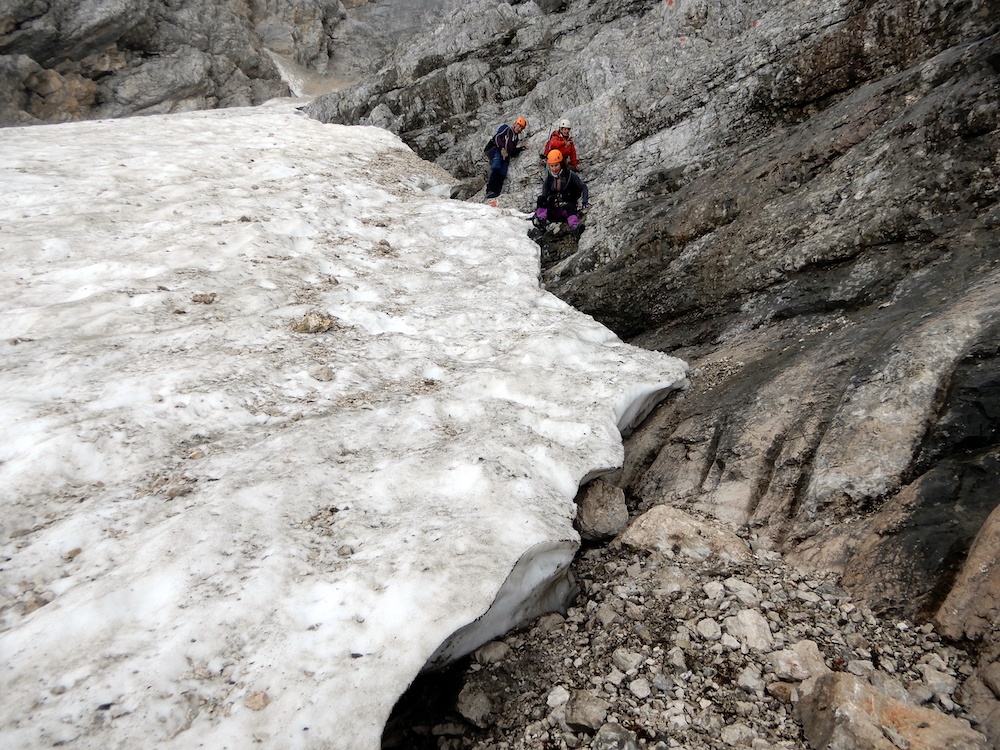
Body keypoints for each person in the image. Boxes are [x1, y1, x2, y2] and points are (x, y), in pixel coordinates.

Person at [532, 149, 590, 239]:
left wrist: (584, 201)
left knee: (570, 206)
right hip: (553, 211)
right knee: (541, 199)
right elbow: (544, 195)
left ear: (561, 164)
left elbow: (583, 187)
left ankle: (575, 227)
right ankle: (541, 221)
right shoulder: (549, 178)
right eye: (552, 166)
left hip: (566, 210)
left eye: (556, 165)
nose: (554, 168)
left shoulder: (570, 175)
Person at [485, 117, 527, 200]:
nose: (519, 129)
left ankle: (496, 192)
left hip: (505, 154)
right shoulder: (506, 129)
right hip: (496, 149)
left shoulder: (515, 138)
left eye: (521, 128)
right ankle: (490, 190)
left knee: (502, 172)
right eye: (519, 126)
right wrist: (502, 148)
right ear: (515, 124)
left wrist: (521, 148)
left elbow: (513, 151)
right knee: (496, 167)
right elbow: (497, 137)